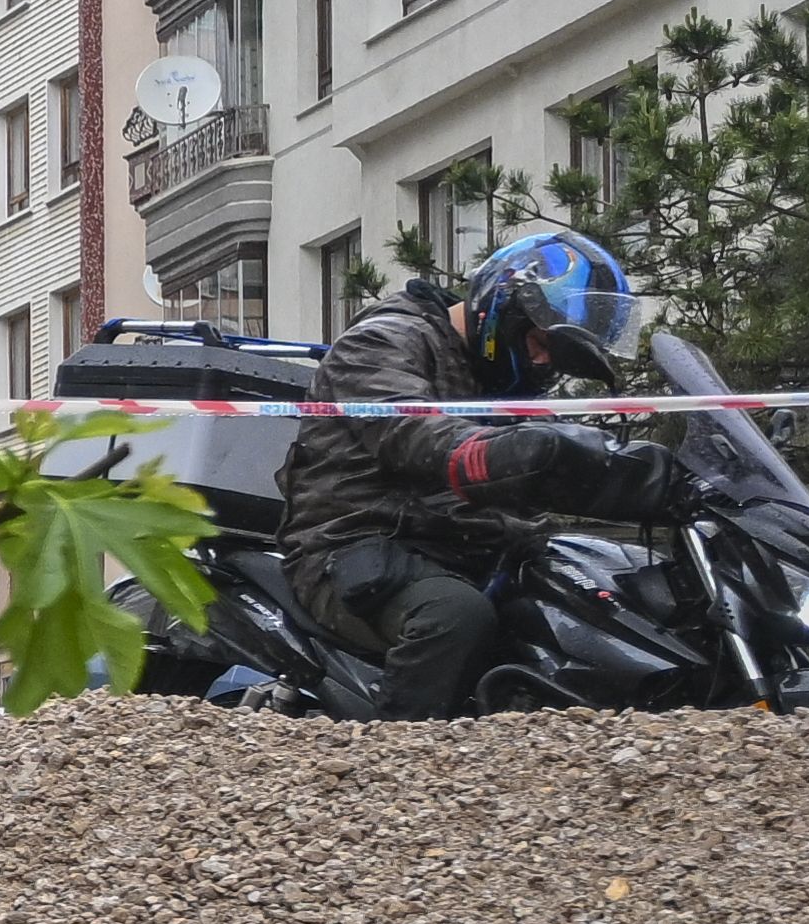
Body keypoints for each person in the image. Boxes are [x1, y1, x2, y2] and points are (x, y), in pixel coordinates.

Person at [278, 223, 691, 719]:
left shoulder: (498, 378)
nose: (543, 364)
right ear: (505, 307)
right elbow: (414, 435)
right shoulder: (381, 343)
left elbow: (549, 471)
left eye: (556, 358)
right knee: (454, 616)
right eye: (539, 343)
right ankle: (396, 755)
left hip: (475, 549)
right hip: (356, 545)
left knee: (600, 595)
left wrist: (669, 482)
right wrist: (517, 451)